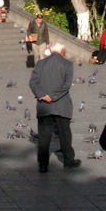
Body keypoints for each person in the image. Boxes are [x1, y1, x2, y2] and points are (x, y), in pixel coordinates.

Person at [28, 43, 81, 172]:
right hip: (61, 105)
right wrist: (53, 96)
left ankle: (43, 164)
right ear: (62, 51)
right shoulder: (67, 64)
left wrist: (43, 95)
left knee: (44, 137)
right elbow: (66, 85)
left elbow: (33, 82)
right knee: (65, 134)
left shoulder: (40, 63)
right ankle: (68, 161)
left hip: (44, 106)